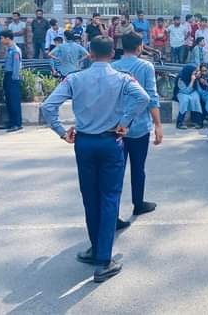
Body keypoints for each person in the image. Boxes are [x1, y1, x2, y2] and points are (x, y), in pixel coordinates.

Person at [41, 35, 150, 282]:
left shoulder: (75, 79)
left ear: (90, 53)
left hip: (84, 142)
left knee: (90, 197)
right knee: (109, 197)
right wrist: (124, 123)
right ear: (113, 54)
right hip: (110, 141)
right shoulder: (122, 79)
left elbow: (48, 107)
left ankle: (95, 249)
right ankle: (104, 259)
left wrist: (61, 131)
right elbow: (143, 98)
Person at [111, 31, 162, 227]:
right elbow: (151, 96)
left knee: (116, 171)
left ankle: (113, 213)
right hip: (139, 127)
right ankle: (138, 203)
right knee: (138, 168)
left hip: (117, 128)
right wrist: (158, 124)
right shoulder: (146, 66)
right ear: (140, 47)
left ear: (123, 47)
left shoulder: (113, 67)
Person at [0, 30, 23, 132]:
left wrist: (14, 79)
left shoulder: (15, 50)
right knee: (8, 100)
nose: (0, 40)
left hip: (13, 77)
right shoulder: (9, 49)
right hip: (8, 75)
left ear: (7, 38)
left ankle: (17, 123)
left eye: (1, 38)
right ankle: (11, 122)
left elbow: (16, 67)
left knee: (14, 101)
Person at [173, 64, 204, 129]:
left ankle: (198, 122)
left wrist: (199, 78)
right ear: (189, 71)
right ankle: (179, 122)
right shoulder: (180, 78)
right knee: (185, 100)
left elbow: (197, 88)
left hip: (192, 91)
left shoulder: (195, 76)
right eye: (194, 71)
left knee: (196, 99)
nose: (195, 72)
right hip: (182, 92)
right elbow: (186, 91)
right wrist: (192, 81)